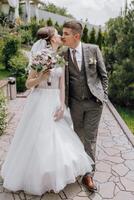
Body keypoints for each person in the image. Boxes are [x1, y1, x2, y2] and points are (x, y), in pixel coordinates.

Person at [1, 26, 94, 195]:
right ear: (51, 39)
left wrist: (61, 105)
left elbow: (61, 85)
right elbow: (28, 84)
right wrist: (41, 77)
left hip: (54, 102)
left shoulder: (60, 59)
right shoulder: (39, 57)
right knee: (38, 139)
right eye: (58, 34)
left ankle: (54, 174)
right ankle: (37, 177)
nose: (60, 36)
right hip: (39, 100)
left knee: (58, 138)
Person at [62, 20, 108, 191]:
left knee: (90, 138)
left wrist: (104, 96)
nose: (62, 36)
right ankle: (78, 168)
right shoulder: (63, 55)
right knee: (77, 137)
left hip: (94, 103)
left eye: (66, 33)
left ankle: (89, 174)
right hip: (75, 104)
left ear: (76, 36)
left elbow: (103, 75)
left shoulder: (93, 50)